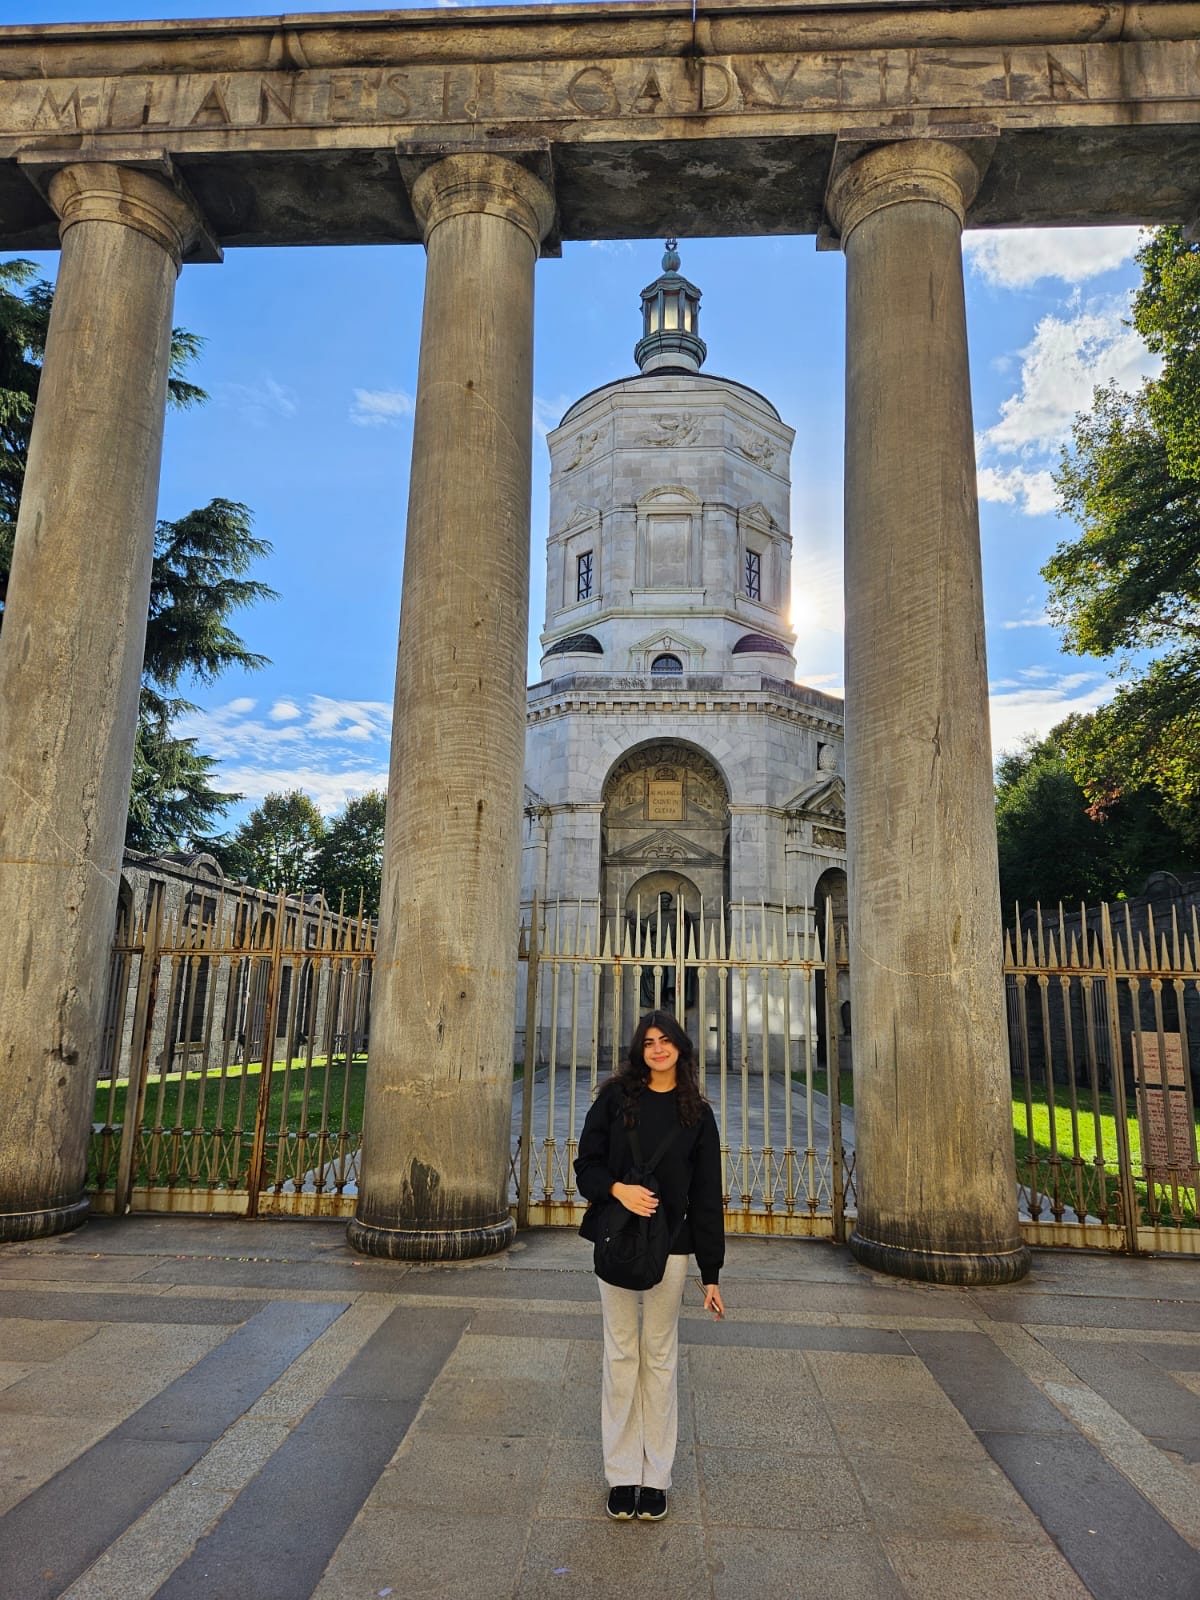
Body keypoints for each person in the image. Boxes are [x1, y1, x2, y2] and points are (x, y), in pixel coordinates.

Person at [574, 1010, 726, 1523]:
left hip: (675, 1248)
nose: (658, 1049)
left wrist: (712, 1273)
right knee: (620, 1354)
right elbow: (586, 1165)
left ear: (681, 1049)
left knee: (659, 1357)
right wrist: (618, 1189)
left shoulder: (698, 1115)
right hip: (617, 1241)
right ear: (638, 1050)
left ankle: (655, 1475)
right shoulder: (615, 1100)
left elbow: (708, 1197)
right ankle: (621, 1473)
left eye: (666, 1041)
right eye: (649, 1042)